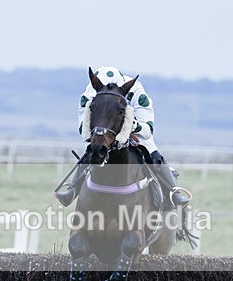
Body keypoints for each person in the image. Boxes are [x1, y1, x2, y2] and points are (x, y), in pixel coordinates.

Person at [55, 66, 192, 208]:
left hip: (136, 135)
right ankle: (72, 190)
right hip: (104, 133)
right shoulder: (89, 93)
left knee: (154, 155)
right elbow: (83, 127)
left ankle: (174, 193)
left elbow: (148, 130)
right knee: (90, 152)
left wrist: (127, 125)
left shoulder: (137, 92)